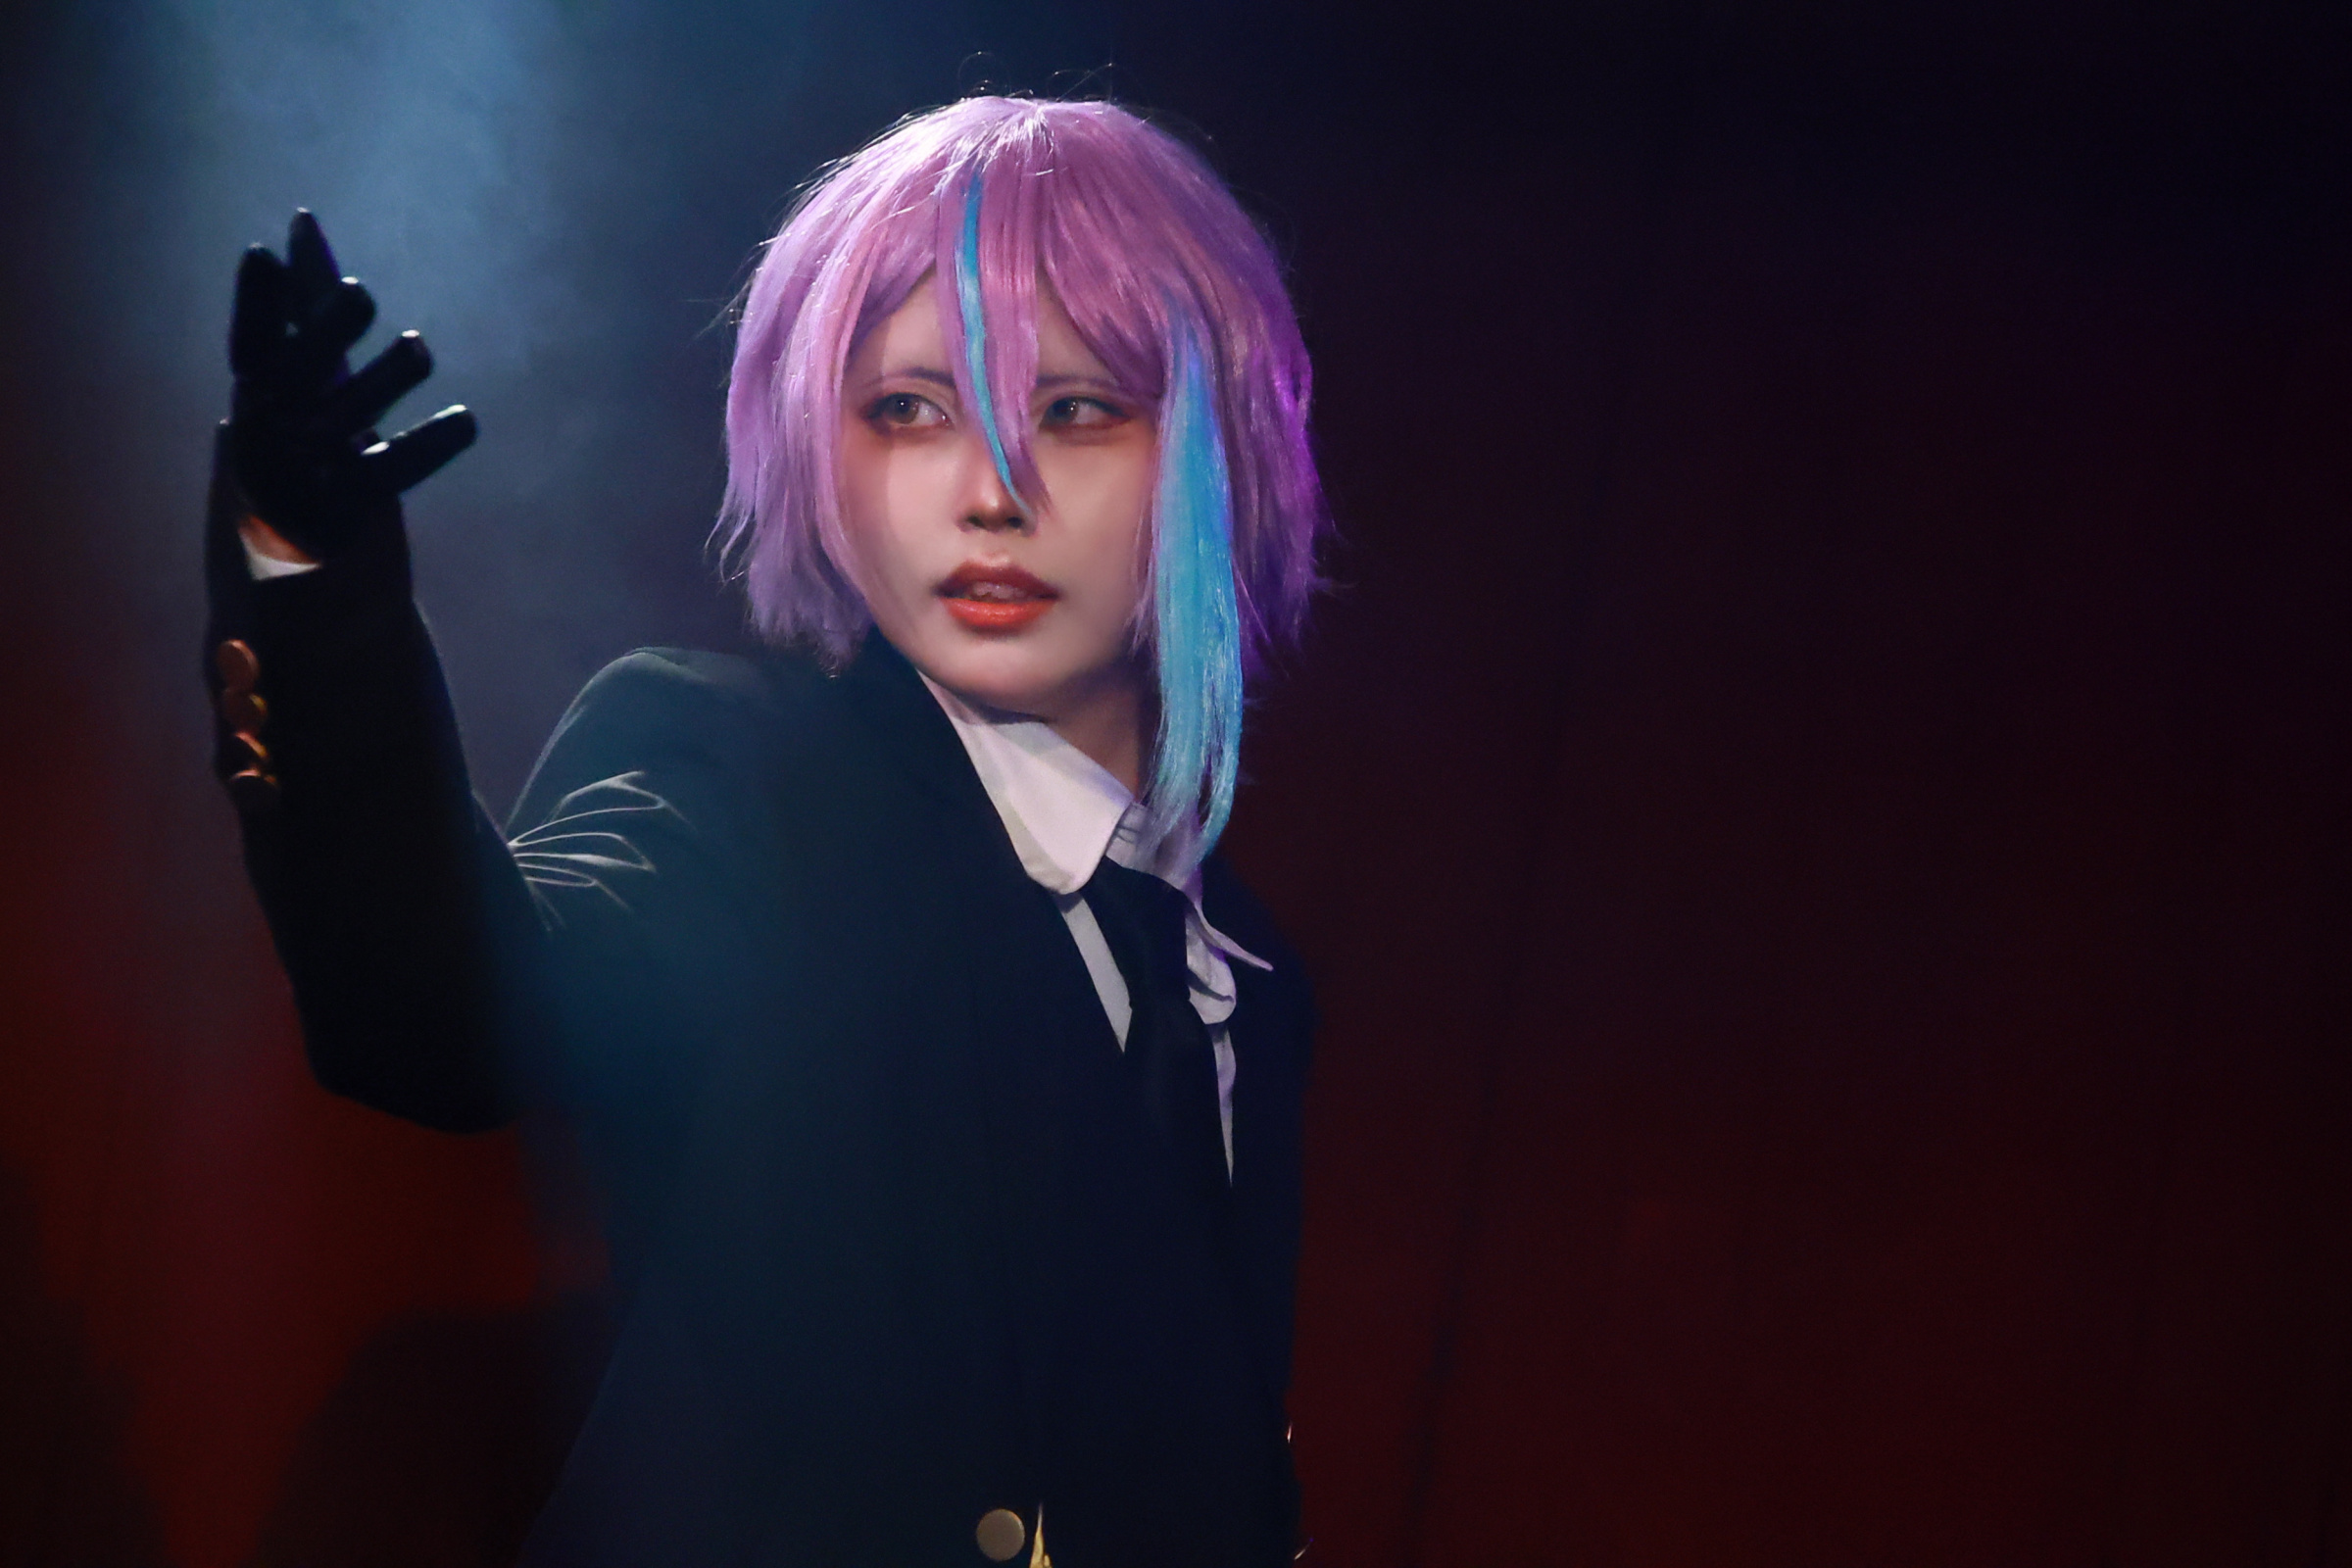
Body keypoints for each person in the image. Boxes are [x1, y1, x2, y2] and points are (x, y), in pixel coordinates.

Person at [201, 95, 1329, 1566]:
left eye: (1076, 409)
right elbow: (443, 1012)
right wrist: (310, 583)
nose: (992, 492)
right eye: (909, 409)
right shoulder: (743, 778)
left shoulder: (1242, 978)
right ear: (819, 444)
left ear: (1219, 455)